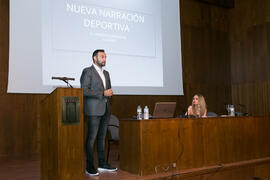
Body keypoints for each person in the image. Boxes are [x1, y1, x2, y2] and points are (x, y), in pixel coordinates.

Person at [80, 49, 117, 176]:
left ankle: (102, 163)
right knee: (91, 139)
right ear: (94, 58)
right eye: (102, 57)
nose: (104, 59)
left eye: (105, 57)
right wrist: (103, 93)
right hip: (93, 110)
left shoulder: (106, 73)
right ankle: (89, 166)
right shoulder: (87, 71)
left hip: (105, 109)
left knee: (102, 138)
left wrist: (109, 93)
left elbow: (108, 90)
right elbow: (84, 90)